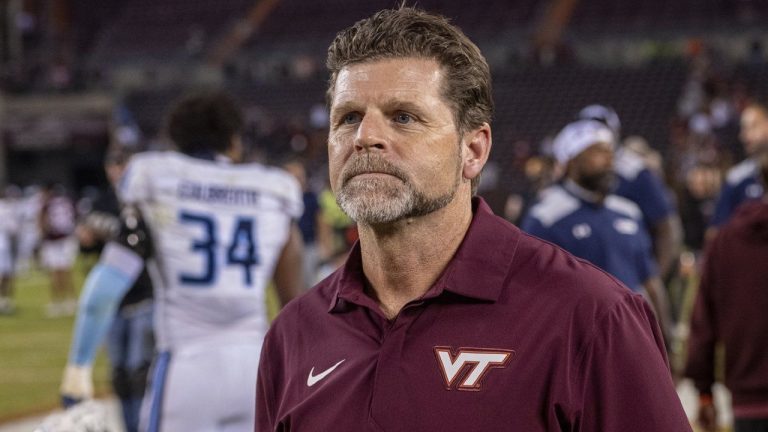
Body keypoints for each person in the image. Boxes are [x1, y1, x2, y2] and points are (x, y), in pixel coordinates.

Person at [256, 7, 691, 431]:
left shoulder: (593, 315)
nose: (366, 137)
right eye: (348, 118)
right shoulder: (293, 334)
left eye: (403, 117)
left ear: (474, 150)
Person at [60, 91, 305, 432]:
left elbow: (104, 289)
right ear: (234, 140)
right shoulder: (272, 189)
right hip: (254, 366)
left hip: (188, 368)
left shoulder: (156, 178)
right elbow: (295, 302)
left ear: (174, 141)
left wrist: (77, 368)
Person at [520, 119, 672, 341]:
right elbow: (532, 294)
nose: (609, 159)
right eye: (597, 152)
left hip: (635, 336)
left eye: (610, 151)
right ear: (572, 161)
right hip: (579, 340)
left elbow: (649, 281)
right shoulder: (546, 218)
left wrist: (664, 338)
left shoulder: (628, 211)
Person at [71, 146, 155, 432]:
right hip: (114, 302)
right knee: (119, 373)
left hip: (144, 295)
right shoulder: (102, 202)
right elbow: (87, 244)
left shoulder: (147, 203)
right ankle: (130, 426)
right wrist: (87, 237)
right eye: (113, 165)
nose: (118, 171)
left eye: (123, 165)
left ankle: (144, 425)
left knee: (139, 370)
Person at [685, 167, 768, 432]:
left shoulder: (725, 242)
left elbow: (702, 325)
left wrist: (704, 392)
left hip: (749, 402)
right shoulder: (725, 241)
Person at [578, 104, 683, 282]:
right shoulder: (567, 173)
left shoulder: (635, 173)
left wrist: (655, 279)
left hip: (626, 279)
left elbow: (667, 228)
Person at [709, 101, 768, 229]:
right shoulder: (736, 178)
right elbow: (717, 231)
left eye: (753, 126)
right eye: (743, 129)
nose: (744, 135)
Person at [38, 182, 79, 317]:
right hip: (67, 238)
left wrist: (42, 234)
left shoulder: (48, 204)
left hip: (53, 240)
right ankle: (71, 300)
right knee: (66, 270)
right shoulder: (67, 201)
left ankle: (57, 302)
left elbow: (43, 222)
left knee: (55, 272)